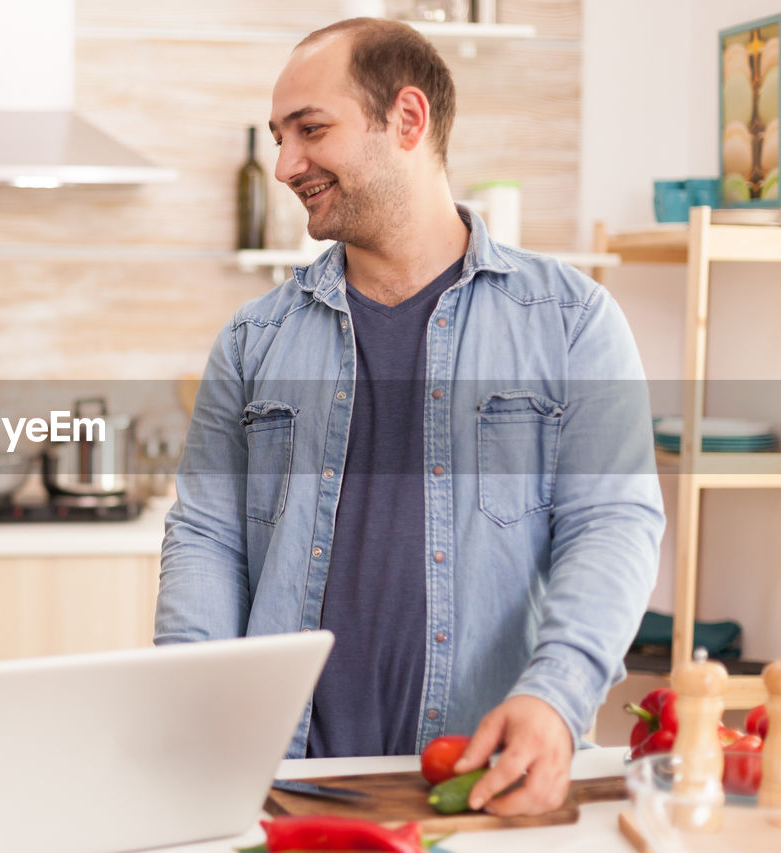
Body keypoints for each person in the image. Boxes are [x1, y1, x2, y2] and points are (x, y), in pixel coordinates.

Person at [155, 18, 663, 817]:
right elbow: (208, 537)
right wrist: (194, 705)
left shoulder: (569, 321)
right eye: (280, 137)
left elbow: (613, 523)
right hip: (284, 785)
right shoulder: (254, 339)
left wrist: (559, 695)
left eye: (311, 130)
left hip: (484, 781)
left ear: (408, 120)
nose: (287, 165)